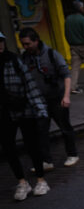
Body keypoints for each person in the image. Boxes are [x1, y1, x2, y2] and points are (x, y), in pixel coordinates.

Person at [0, 31, 49, 200]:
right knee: (8, 147)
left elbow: (30, 85)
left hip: (23, 109)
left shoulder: (14, 61)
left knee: (31, 145)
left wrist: (40, 109)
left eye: (1, 41)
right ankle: (22, 182)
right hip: (4, 112)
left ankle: (41, 180)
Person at [19, 28, 78, 168]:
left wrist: (66, 96)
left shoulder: (52, 54)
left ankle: (72, 154)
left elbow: (66, 75)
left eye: (27, 44)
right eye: (23, 44)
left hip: (57, 98)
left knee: (65, 127)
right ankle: (46, 161)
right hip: (39, 101)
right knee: (41, 130)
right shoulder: (25, 58)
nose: (25, 47)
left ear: (36, 41)